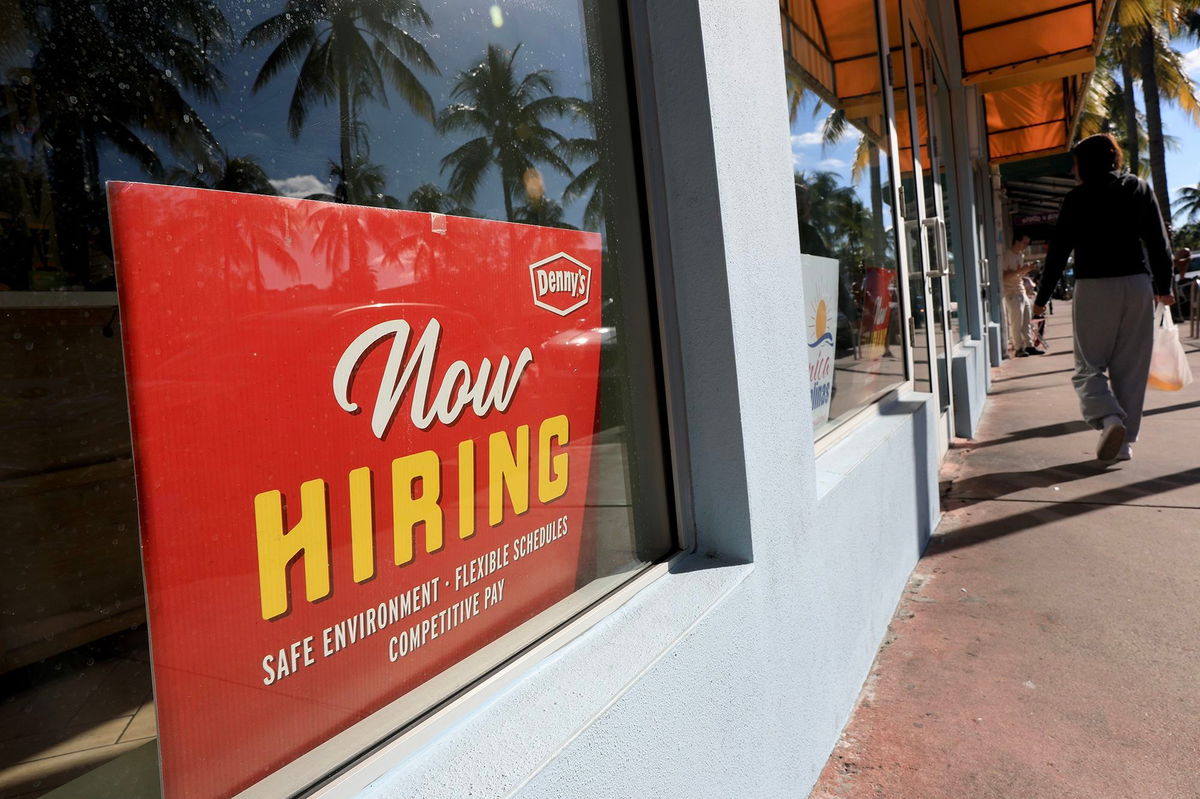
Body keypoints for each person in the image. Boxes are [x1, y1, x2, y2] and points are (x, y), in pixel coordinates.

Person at [1033, 133, 1174, 463]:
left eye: (1075, 163)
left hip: (1095, 287)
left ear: (1084, 163)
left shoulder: (1077, 198)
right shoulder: (1138, 188)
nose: (1072, 171)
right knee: (1130, 368)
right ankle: (1124, 444)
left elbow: (1058, 253)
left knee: (1088, 366)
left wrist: (1042, 298)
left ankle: (1110, 420)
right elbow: (1158, 241)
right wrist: (1164, 287)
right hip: (1138, 284)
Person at [1002, 233, 1042, 356]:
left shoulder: (1020, 255)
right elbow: (1005, 276)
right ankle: (1018, 348)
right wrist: (1021, 270)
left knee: (1026, 321)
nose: (1025, 246)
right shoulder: (1007, 255)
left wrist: (1026, 270)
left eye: (1027, 243)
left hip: (1021, 290)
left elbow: (1018, 274)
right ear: (1017, 241)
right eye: (1024, 243)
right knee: (1016, 322)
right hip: (1011, 292)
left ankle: (1029, 346)